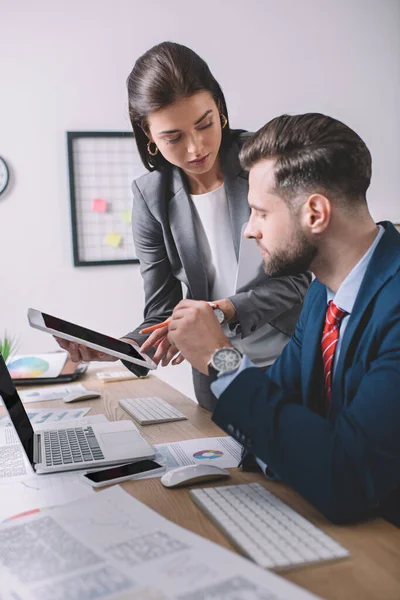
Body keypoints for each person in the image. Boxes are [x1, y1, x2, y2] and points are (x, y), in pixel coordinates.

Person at [166, 112, 400, 525]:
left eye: (260, 212)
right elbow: (277, 417)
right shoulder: (320, 294)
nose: (249, 230)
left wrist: (221, 359)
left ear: (314, 214)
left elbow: (345, 478)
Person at [57, 42, 310, 411]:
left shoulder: (264, 163)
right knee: (229, 464)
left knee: (288, 461)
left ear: (220, 108)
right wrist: (119, 348)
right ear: (148, 136)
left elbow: (298, 280)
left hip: (292, 357)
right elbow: (163, 309)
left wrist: (220, 311)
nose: (196, 149)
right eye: (173, 137)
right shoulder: (151, 196)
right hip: (218, 368)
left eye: (205, 124)